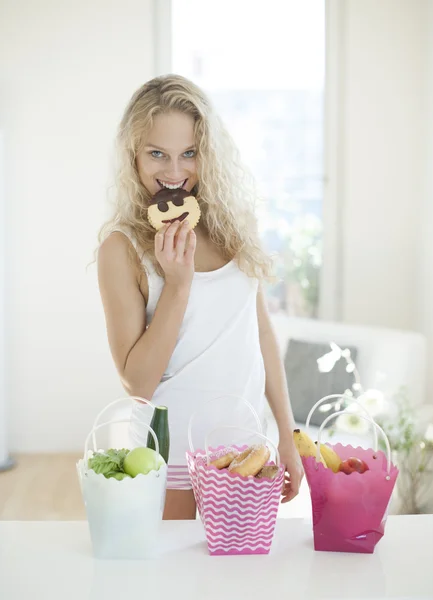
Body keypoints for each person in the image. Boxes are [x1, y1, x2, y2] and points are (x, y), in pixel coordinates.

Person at [96, 74, 303, 519]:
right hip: (168, 459)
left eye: (189, 153)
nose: (174, 173)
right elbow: (138, 384)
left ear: (207, 153)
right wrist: (178, 284)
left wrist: (287, 433)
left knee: (242, 585)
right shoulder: (122, 248)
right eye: (157, 154)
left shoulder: (234, 225)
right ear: (133, 156)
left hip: (246, 450)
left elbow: (260, 333)